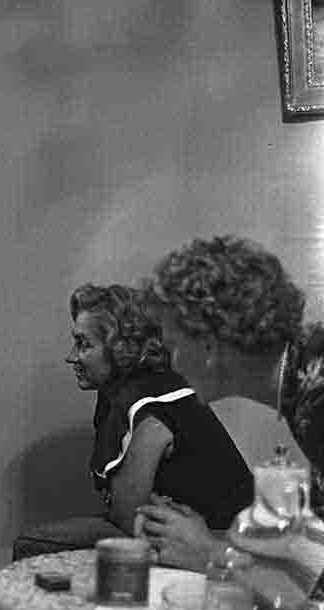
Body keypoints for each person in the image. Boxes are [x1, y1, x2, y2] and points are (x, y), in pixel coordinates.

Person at [137, 234, 324, 572]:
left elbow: (312, 583)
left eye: (174, 345)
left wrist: (210, 552)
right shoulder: (306, 375)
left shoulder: (316, 401)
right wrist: (217, 541)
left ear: (208, 346)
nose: (173, 363)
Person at [29, 283, 254, 549]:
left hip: (223, 545)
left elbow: (127, 515)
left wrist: (143, 508)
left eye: (83, 344)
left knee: (35, 545)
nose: (72, 357)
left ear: (119, 347)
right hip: (175, 533)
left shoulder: (150, 401)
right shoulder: (117, 393)